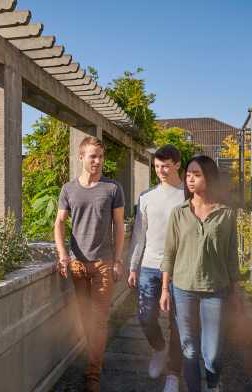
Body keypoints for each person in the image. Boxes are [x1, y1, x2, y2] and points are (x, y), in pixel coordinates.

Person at [160, 155, 240, 392]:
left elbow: (231, 256)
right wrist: (165, 289)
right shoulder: (179, 213)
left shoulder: (226, 214)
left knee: (212, 353)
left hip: (215, 290)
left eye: (197, 175)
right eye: (188, 175)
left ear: (209, 177)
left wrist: (234, 293)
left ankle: (213, 384)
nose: (190, 180)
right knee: (189, 349)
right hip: (183, 289)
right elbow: (169, 253)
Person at [54, 136, 125, 392]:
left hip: (104, 264)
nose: (97, 161)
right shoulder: (68, 189)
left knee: (99, 320)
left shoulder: (113, 188)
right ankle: (94, 358)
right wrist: (63, 255)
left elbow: (119, 226)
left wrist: (118, 260)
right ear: (81, 157)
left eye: (100, 156)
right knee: (85, 318)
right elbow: (59, 223)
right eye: (92, 156)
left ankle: (92, 375)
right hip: (77, 265)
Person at [127, 144, 184, 392]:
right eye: (157, 166)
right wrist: (132, 266)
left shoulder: (188, 196)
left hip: (181, 269)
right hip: (149, 267)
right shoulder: (146, 197)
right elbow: (139, 235)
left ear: (178, 165)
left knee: (179, 324)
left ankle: (174, 373)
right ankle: (159, 349)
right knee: (145, 316)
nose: (161, 170)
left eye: (166, 166)